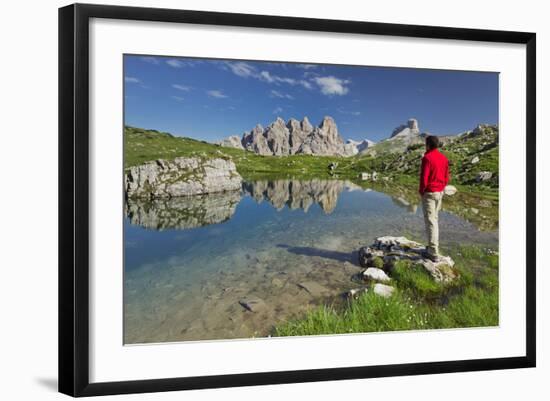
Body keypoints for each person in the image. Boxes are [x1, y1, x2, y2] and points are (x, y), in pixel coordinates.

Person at [418, 135, 450, 262]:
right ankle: (433, 247)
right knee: (434, 220)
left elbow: (424, 178)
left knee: (431, 222)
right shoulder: (444, 158)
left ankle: (433, 252)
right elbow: (447, 177)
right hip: (440, 192)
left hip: (430, 194)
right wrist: (441, 187)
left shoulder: (427, 158)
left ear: (428, 145)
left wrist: (421, 191)